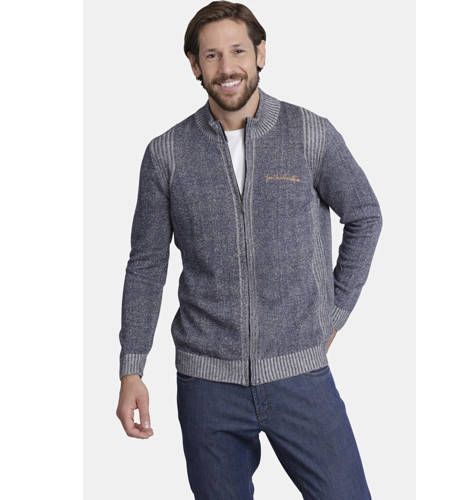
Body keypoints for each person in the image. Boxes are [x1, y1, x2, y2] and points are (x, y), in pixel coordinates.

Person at [116, 2, 382, 498]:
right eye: (212, 55)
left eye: (238, 51)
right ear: (194, 65)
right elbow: (147, 265)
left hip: (300, 375)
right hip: (207, 386)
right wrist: (132, 367)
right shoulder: (166, 154)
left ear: (260, 53)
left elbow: (365, 216)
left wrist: (333, 313)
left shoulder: (310, 134)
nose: (227, 67)